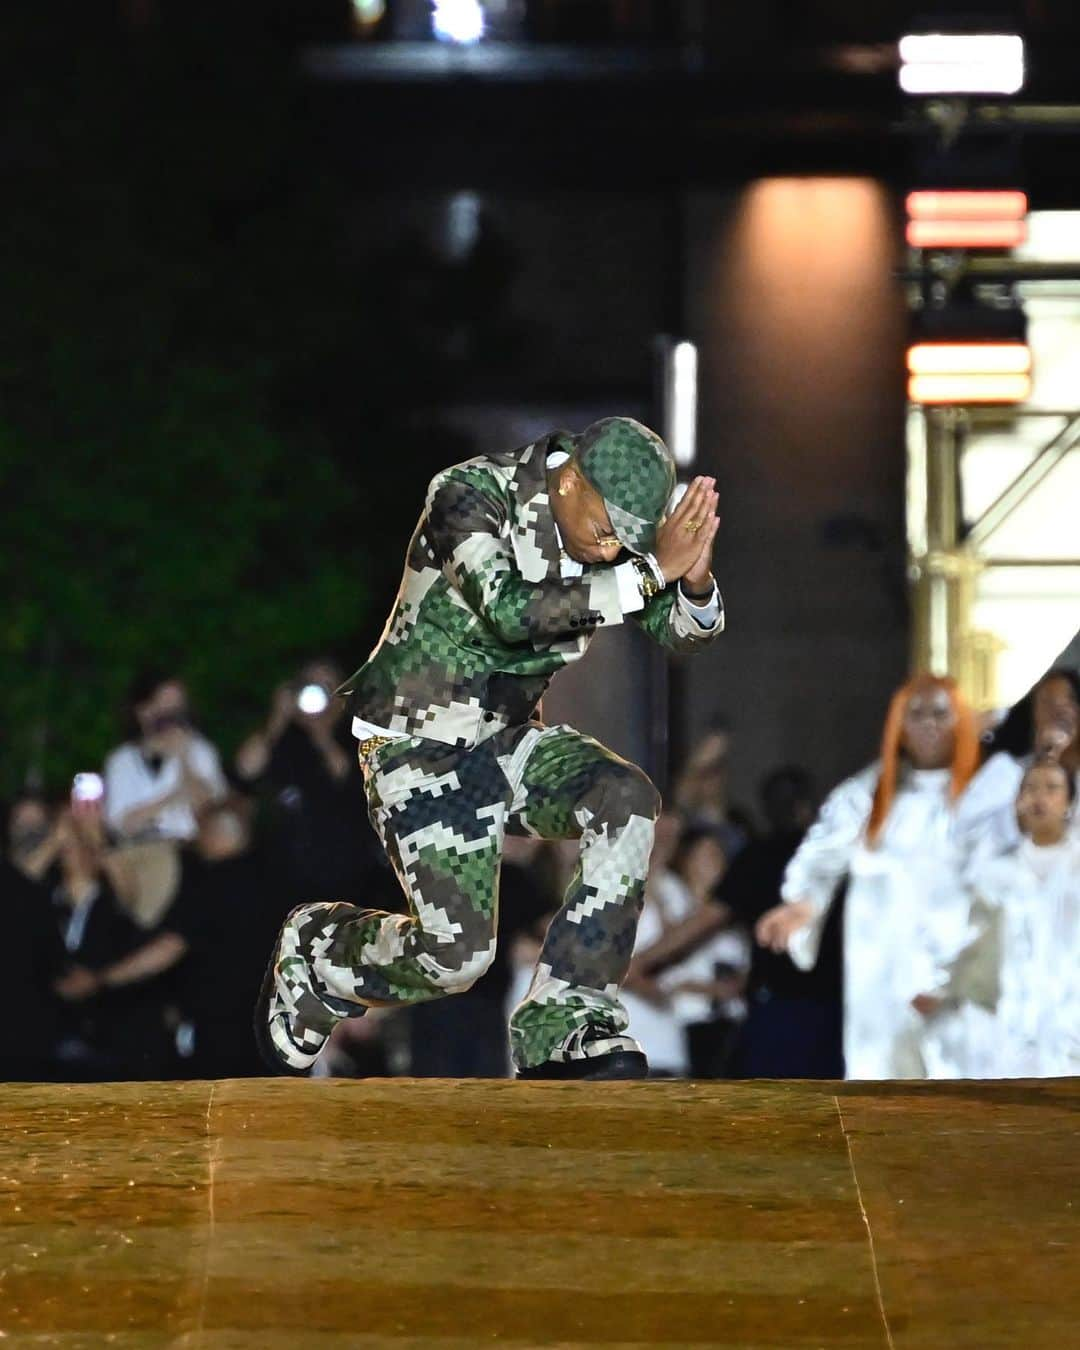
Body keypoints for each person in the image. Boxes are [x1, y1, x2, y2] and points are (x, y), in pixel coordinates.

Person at [257, 416, 724, 1079]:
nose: (609, 549)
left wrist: (695, 583)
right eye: (604, 531)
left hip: (507, 744)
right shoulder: (472, 494)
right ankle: (322, 951)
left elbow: (680, 634)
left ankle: (564, 1020)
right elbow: (510, 610)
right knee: (456, 959)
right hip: (417, 743)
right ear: (569, 479)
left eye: (626, 542)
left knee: (624, 797)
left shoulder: (617, 550)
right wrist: (650, 572)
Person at [756, 674, 980, 1080]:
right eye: (916, 714)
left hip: (959, 981)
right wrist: (803, 904)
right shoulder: (868, 793)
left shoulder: (987, 795)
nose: (928, 724)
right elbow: (823, 853)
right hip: (883, 981)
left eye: (940, 714)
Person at [913, 754, 1080, 1078]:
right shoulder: (998, 873)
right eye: (1029, 789)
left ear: (1069, 802)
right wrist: (938, 987)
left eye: (1051, 788)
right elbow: (967, 936)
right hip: (1014, 1021)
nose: (1039, 798)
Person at [234, 660, 388, 905]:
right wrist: (277, 718)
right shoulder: (280, 736)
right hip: (282, 870)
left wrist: (321, 732)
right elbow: (245, 770)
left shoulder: (357, 735)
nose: (317, 693)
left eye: (327, 686)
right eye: (310, 684)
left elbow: (347, 778)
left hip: (344, 873)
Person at [961, 666, 1080, 860]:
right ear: (1033, 716)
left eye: (1071, 700)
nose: (1059, 708)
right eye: (1047, 701)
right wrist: (1016, 819)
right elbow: (962, 835)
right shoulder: (1004, 770)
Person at [103, 671, 228, 845]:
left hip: (192, 849)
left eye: (177, 708)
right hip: (141, 851)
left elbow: (211, 808)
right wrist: (171, 799)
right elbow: (122, 824)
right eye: (164, 706)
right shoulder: (122, 760)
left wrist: (183, 758)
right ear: (143, 711)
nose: (172, 716)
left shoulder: (200, 750)